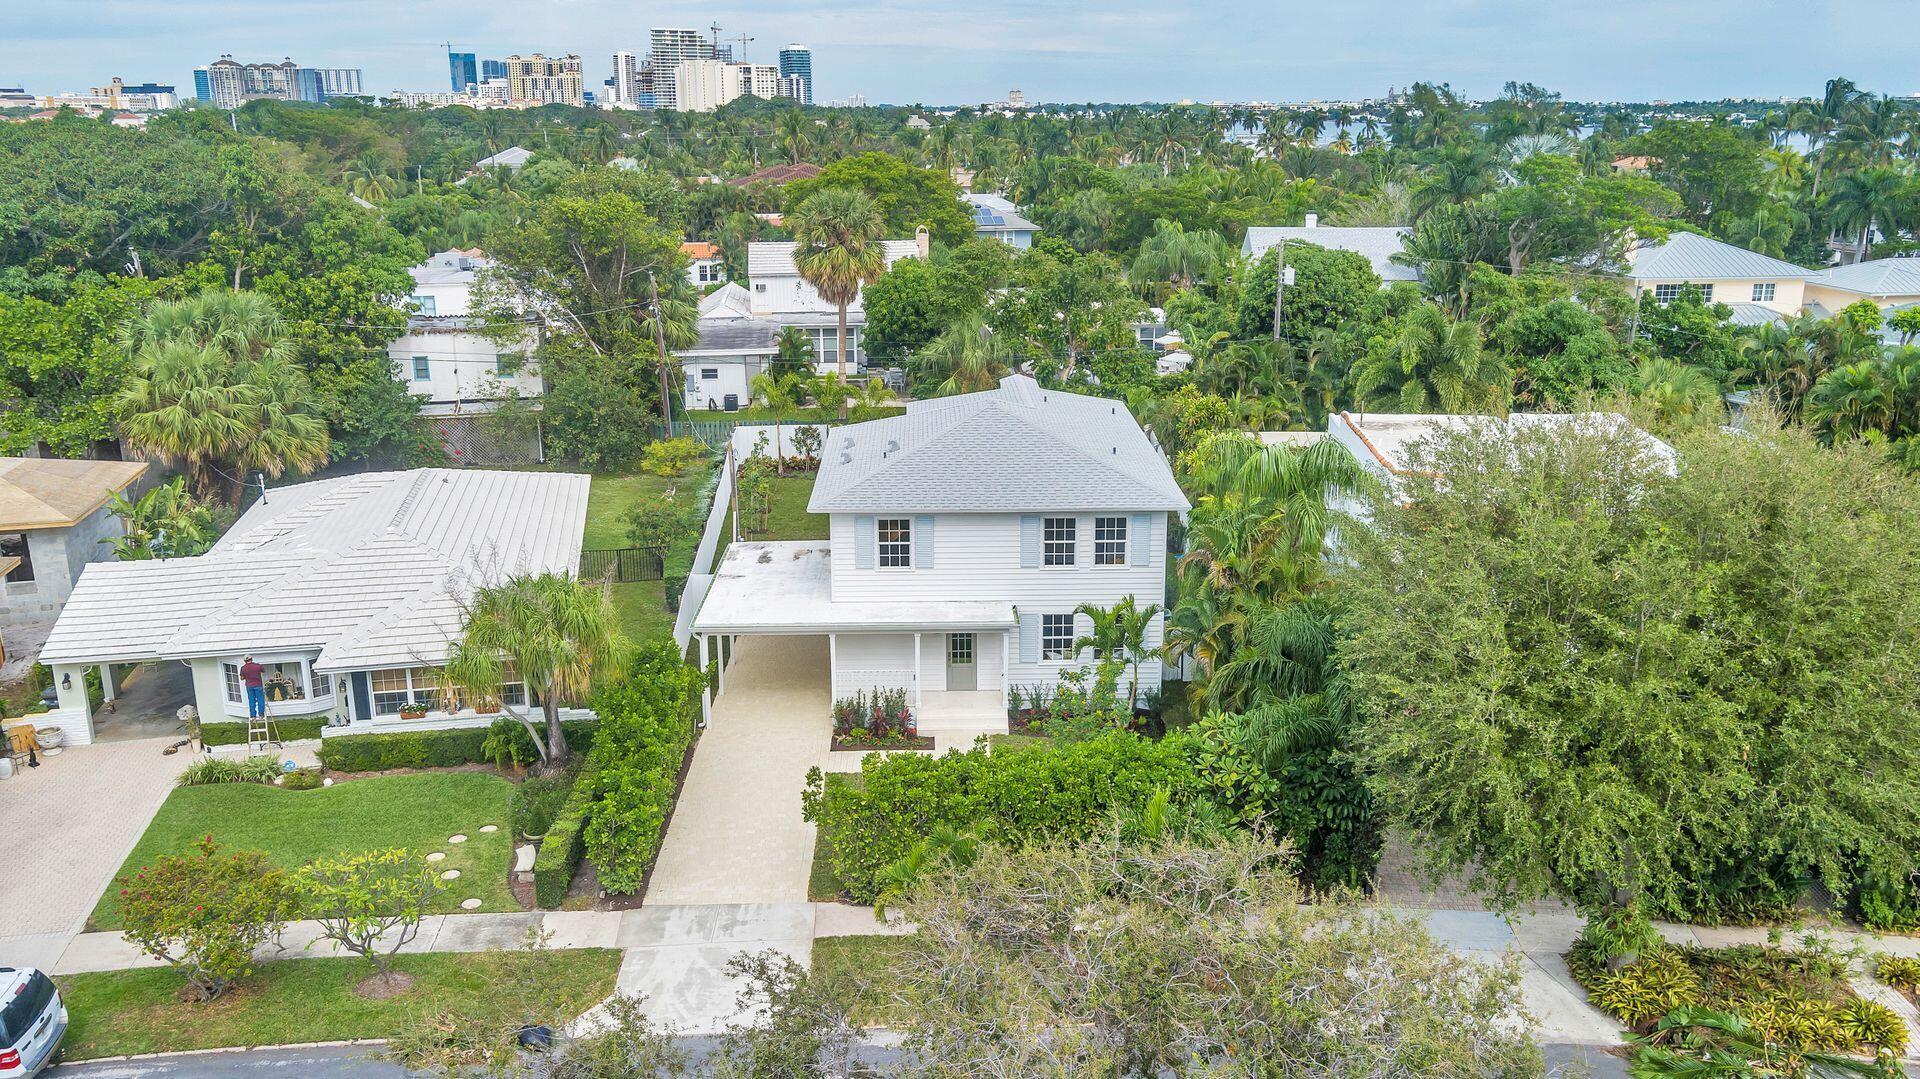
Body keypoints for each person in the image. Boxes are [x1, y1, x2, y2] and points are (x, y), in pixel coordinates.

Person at [239, 655, 266, 720]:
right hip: (258, 685)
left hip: (249, 686)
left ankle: (253, 716)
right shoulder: (257, 666)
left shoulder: (243, 668)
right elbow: (263, 670)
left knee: (251, 700)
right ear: (252, 659)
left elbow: (242, 678)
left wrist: (247, 676)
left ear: (244, 661)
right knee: (260, 700)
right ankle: (261, 715)